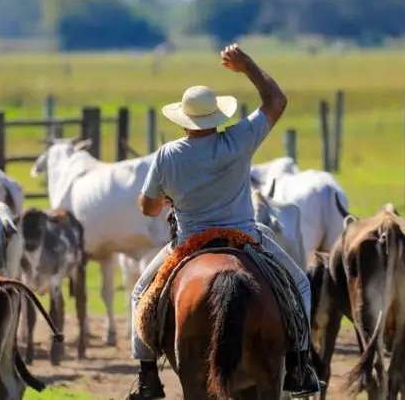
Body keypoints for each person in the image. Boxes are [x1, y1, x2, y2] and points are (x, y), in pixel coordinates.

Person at [128, 43, 320, 399]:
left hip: (188, 242)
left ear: (183, 120)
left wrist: (167, 198)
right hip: (245, 237)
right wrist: (247, 66)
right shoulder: (239, 138)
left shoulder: (168, 155)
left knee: (141, 293)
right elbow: (276, 101)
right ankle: (300, 365)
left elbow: (147, 207)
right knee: (301, 286)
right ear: (216, 116)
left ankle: (147, 377)